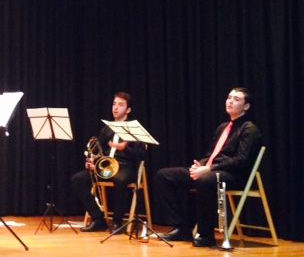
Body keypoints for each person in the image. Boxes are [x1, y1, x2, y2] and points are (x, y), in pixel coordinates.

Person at [155, 87, 262, 247]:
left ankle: (206, 235)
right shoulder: (223, 127)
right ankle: (181, 228)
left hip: (235, 176)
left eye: (236, 99)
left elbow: (241, 160)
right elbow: (212, 153)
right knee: (164, 175)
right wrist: (201, 164)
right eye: (229, 97)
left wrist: (208, 169)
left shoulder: (249, 129)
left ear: (246, 106)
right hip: (213, 170)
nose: (230, 101)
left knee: (205, 179)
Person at [71, 92, 146, 232]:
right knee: (78, 179)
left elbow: (141, 155)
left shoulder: (135, 130)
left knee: (120, 179)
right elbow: (99, 151)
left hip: (125, 167)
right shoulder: (106, 129)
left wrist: (125, 149)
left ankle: (118, 223)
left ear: (128, 110)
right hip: (106, 166)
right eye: (114, 104)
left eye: (121, 105)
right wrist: (94, 162)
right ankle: (99, 219)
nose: (116, 108)